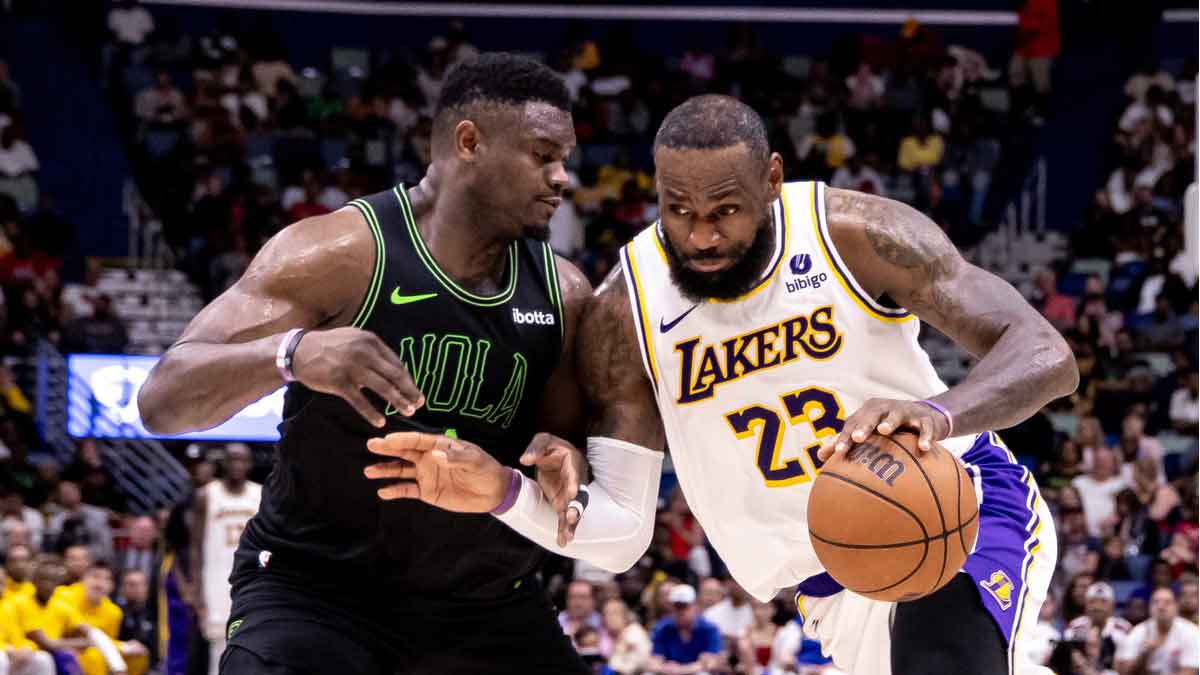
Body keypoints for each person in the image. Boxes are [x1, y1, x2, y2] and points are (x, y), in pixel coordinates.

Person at [368, 95, 1078, 675]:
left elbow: (1045, 352)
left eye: (725, 211)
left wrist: (936, 413)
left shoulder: (856, 236)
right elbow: (618, 537)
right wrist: (504, 491)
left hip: (958, 512)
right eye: (679, 210)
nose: (702, 235)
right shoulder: (627, 308)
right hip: (829, 592)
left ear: (771, 179)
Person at [137, 53, 594, 675]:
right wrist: (291, 353)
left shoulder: (564, 293)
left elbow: (568, 454)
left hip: (486, 608)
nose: (562, 176)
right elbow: (162, 399)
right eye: (543, 155)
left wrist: (571, 456)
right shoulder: (340, 253)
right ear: (469, 143)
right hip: (319, 595)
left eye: (564, 157)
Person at [189, 443, 260, 675]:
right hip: (217, 580)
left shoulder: (261, 494)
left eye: (242, 460)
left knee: (256, 642)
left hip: (253, 579)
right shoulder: (206, 494)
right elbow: (195, 547)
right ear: (223, 463)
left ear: (249, 464)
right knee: (219, 647)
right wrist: (196, 590)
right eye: (232, 459)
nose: (237, 465)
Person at [1115, 587, 1200, 675]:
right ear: (1149, 607)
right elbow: (1123, 671)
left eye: (1167, 602)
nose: (1161, 607)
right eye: (1156, 602)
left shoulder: (1190, 632)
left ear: (1176, 606)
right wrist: (1143, 655)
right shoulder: (1138, 632)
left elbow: (1190, 671)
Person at [648, 584, 724, 675]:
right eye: (677, 606)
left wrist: (680, 670)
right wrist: (666, 668)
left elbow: (710, 664)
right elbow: (654, 663)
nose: (680, 611)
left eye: (684, 606)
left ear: (695, 606)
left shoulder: (709, 629)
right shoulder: (662, 628)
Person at [1065, 583, 1132, 670]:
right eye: (1092, 602)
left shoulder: (1123, 628)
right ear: (1085, 606)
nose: (1097, 607)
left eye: (1103, 602)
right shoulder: (1075, 626)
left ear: (1112, 606)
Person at [602, 598, 651, 675]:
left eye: (615, 612)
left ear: (625, 616)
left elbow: (637, 665)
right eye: (607, 613)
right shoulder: (604, 636)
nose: (610, 617)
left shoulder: (635, 632)